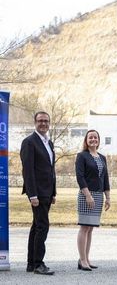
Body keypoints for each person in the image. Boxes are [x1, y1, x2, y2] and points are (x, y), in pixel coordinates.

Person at [20, 111, 56, 275]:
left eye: (46, 121)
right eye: (40, 121)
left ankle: (30, 263)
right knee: (42, 226)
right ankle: (38, 263)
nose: (43, 123)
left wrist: (53, 192)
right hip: (37, 193)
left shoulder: (49, 143)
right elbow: (28, 171)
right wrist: (32, 194)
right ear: (35, 122)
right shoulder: (29, 142)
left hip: (47, 192)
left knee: (36, 226)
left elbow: (50, 169)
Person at [75, 129, 111, 271]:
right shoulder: (81, 156)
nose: (93, 140)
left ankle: (86, 258)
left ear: (98, 140)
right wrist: (88, 195)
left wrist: (108, 197)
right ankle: (82, 260)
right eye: (90, 137)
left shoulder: (102, 157)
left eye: (95, 137)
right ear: (86, 140)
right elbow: (80, 177)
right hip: (86, 195)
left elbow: (105, 178)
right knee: (84, 227)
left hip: (98, 195)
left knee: (90, 229)